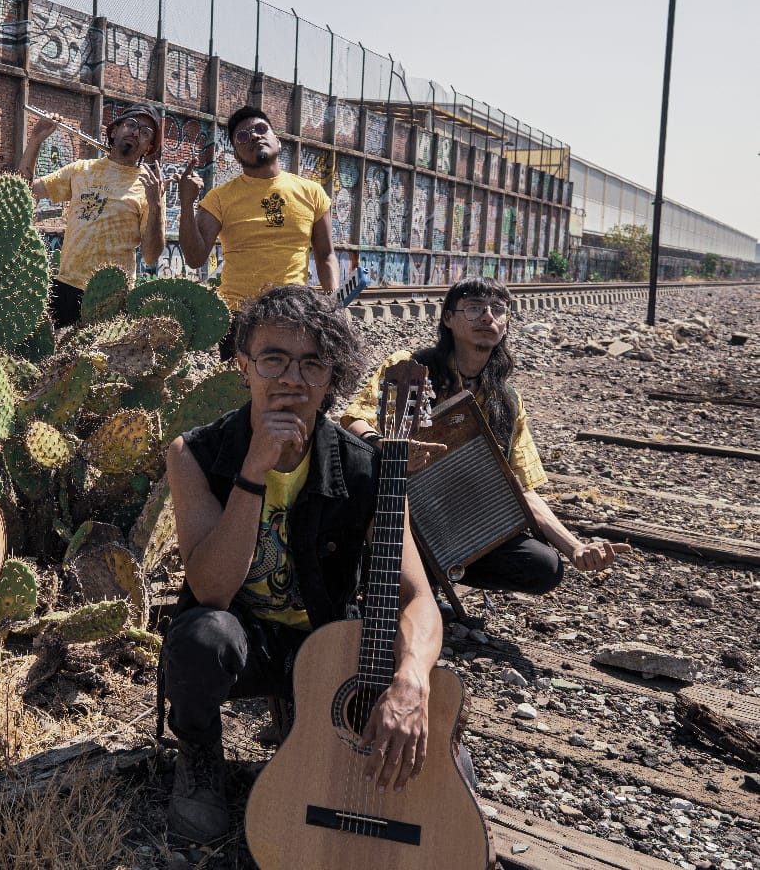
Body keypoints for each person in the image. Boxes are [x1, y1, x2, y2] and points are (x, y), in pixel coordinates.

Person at [159, 285, 442, 844]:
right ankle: (199, 754)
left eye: (312, 363)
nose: (291, 378)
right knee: (200, 638)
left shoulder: (367, 468)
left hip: (329, 654)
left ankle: (308, 716)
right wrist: (254, 471)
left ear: (333, 377)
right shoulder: (195, 454)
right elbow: (211, 588)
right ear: (244, 365)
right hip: (243, 644)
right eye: (273, 359)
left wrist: (411, 682)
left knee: (415, 696)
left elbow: (418, 598)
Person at [340, 276, 628, 595]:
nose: (487, 316)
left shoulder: (507, 401)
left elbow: (521, 488)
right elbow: (354, 420)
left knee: (544, 567)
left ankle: (439, 574)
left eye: (497, 309)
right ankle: (394, 576)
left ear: (505, 324)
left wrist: (575, 547)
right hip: (400, 513)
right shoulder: (410, 367)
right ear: (448, 318)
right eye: (474, 308)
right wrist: (388, 448)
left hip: (460, 521)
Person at [177, 106, 339, 359]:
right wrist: (186, 203)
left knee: (289, 390)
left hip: (294, 312)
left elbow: (326, 255)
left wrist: (333, 304)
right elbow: (195, 257)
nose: (253, 136)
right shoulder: (219, 198)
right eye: (242, 136)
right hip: (239, 318)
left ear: (278, 140)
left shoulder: (312, 192)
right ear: (235, 154)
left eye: (261, 129)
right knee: (240, 396)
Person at [17, 104, 165, 327]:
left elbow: (151, 256)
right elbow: (25, 190)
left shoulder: (149, 187)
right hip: (65, 286)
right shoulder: (81, 169)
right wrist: (36, 140)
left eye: (145, 132)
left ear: (148, 148)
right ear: (114, 131)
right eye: (131, 125)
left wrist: (156, 206)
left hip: (111, 296)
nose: (135, 132)